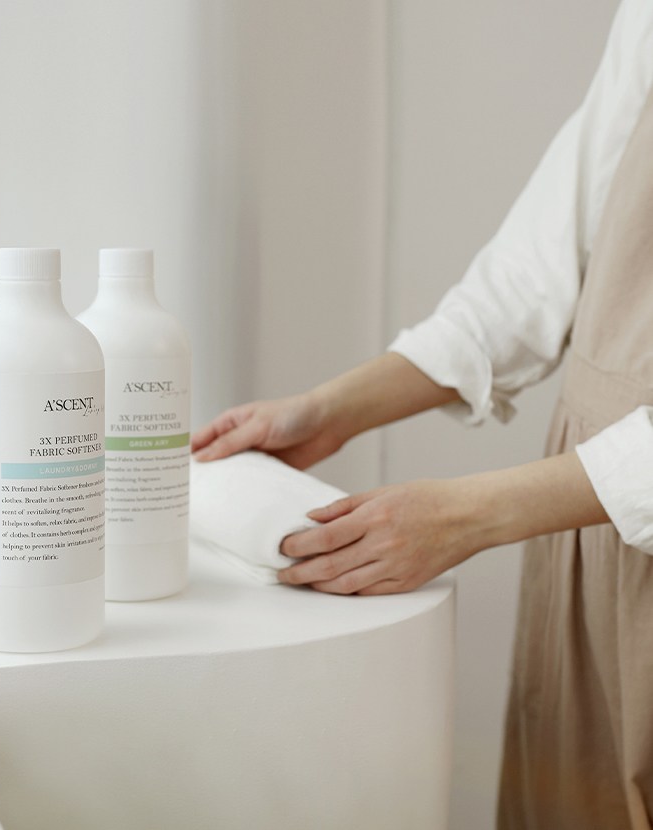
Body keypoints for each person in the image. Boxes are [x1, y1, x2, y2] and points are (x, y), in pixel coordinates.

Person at [191, 0, 653, 827]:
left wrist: (473, 514)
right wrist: (331, 410)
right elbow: (538, 268)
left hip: (598, 504)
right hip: (592, 540)